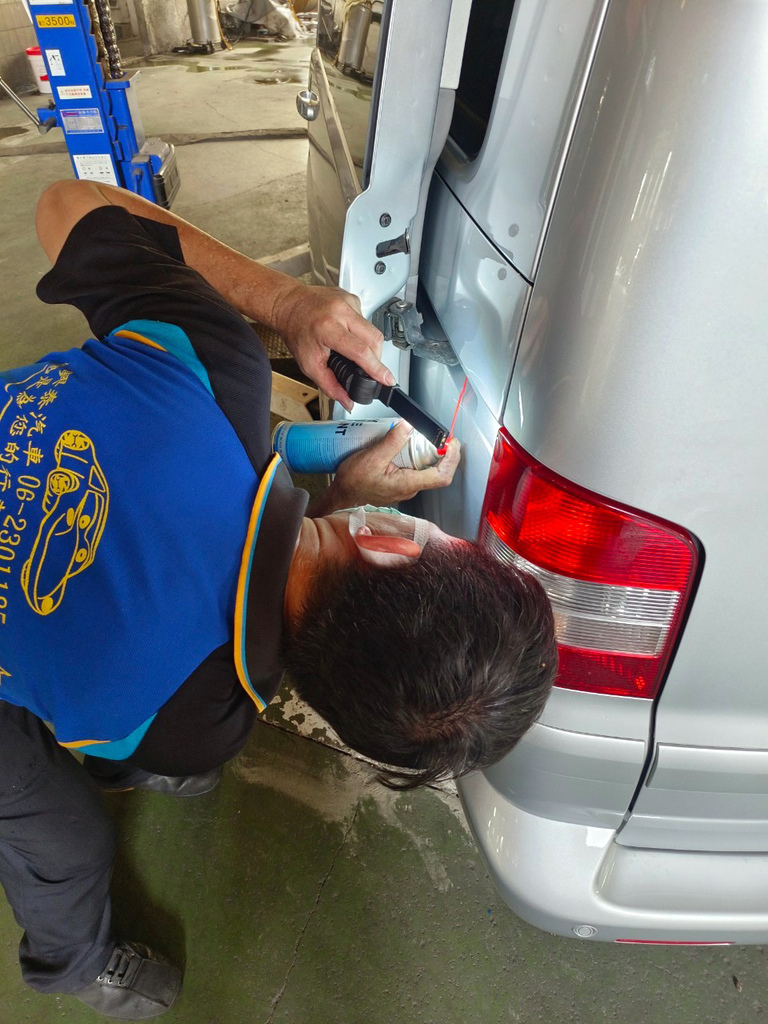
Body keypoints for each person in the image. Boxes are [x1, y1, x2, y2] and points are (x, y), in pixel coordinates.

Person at [0, 181, 557, 1019]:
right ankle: (74, 966)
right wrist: (326, 499)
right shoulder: (200, 724)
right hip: (103, 699)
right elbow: (118, 701)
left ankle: (69, 956)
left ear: (389, 540)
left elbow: (61, 207)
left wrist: (289, 305)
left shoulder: (210, 360)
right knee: (67, 835)